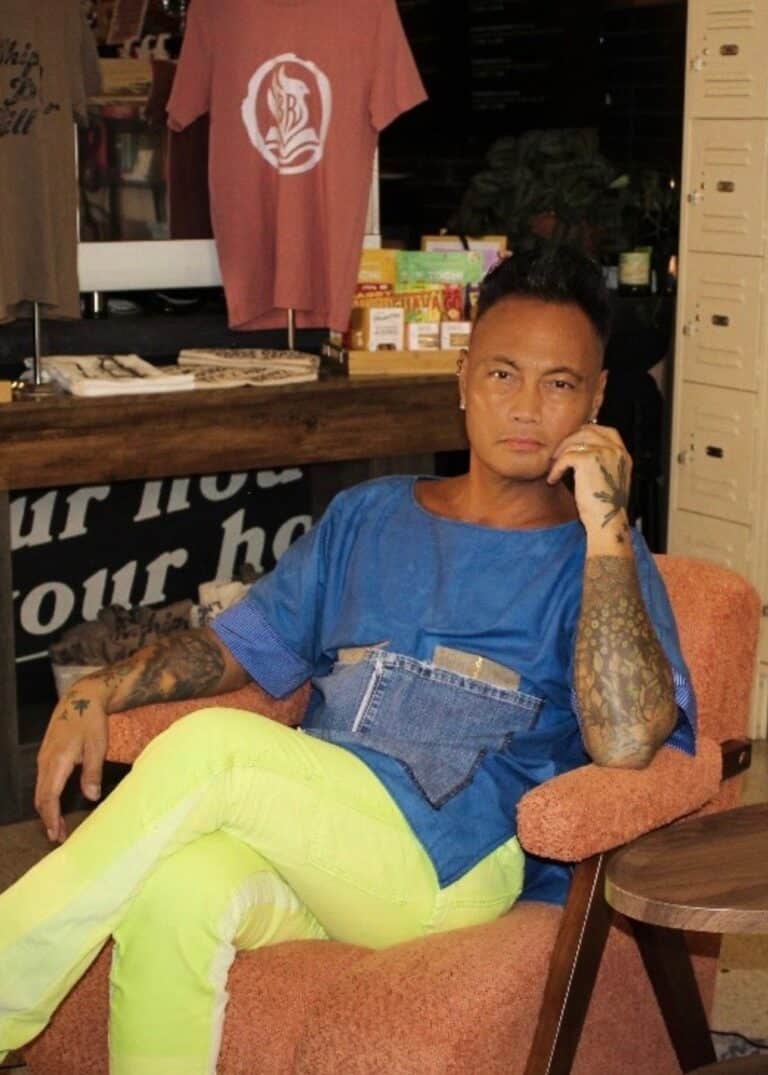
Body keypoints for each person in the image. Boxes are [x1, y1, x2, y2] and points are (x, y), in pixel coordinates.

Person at [0, 241, 695, 1074]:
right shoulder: (368, 516)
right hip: (329, 848)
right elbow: (241, 642)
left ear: (597, 401)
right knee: (175, 892)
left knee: (210, 748)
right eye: (505, 374)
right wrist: (98, 693)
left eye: (561, 384)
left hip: (452, 865)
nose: (527, 408)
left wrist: (610, 525)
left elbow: (625, 742)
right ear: (464, 377)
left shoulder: (600, 560)